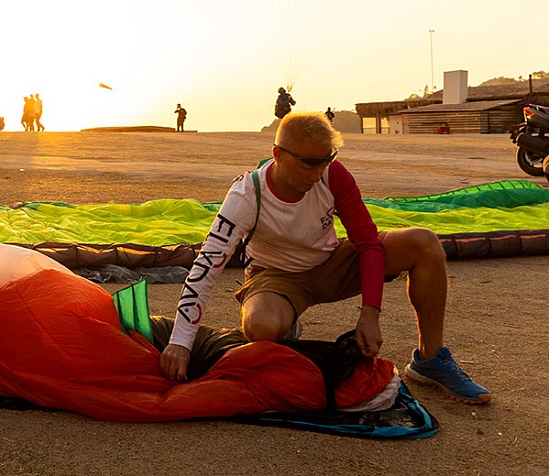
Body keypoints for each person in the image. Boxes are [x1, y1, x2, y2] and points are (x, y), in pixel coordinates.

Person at [158, 112, 490, 405]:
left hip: (333, 262)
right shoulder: (246, 195)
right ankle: (285, 322)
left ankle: (430, 359)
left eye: (325, 161)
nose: (317, 173)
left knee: (424, 242)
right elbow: (206, 266)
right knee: (261, 327)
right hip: (276, 275)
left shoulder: (332, 174)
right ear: (277, 155)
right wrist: (181, 343)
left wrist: (370, 313)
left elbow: (368, 243)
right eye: (308, 163)